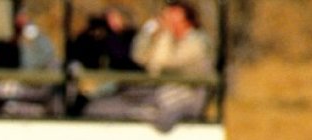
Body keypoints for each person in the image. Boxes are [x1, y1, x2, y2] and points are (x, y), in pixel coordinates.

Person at [83, 0, 214, 130]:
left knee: (155, 114)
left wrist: (165, 34)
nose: (166, 20)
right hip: (159, 91)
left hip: (184, 96)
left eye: (173, 16)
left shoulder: (198, 42)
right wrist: (147, 32)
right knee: (106, 103)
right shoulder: (168, 39)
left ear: (187, 19)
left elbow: (161, 64)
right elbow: (138, 56)